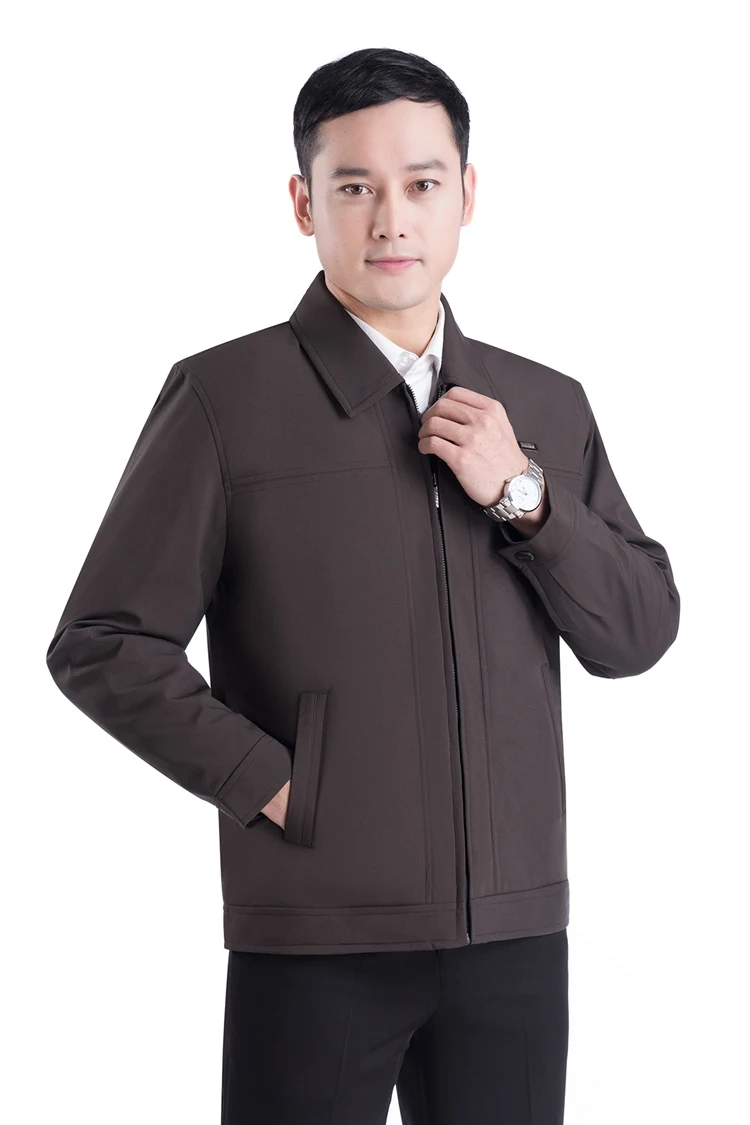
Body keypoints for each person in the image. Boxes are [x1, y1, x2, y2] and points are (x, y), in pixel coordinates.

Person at [46, 46, 680, 1125]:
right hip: (318, 939)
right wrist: (277, 785)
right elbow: (104, 642)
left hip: (515, 940)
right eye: (355, 187)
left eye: (422, 183)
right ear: (305, 204)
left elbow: (639, 632)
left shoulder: (544, 406)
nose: (393, 219)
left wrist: (524, 493)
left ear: (467, 194)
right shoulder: (224, 399)